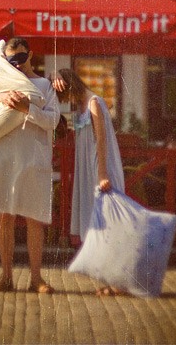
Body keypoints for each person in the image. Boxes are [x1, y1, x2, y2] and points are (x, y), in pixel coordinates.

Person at [0, 38, 60, 293]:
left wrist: (27, 109)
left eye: (21, 58)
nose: (17, 64)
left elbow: (53, 120)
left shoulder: (44, 85)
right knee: (5, 217)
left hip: (34, 158)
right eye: (11, 60)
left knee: (35, 219)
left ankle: (36, 278)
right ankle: (6, 277)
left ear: (30, 55)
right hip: (5, 157)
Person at [55, 68, 126, 296]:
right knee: (97, 225)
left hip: (100, 167)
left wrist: (102, 173)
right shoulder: (81, 107)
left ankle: (117, 281)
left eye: (65, 94)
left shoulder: (94, 102)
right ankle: (108, 280)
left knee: (107, 224)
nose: (67, 100)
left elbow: (101, 139)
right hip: (88, 169)